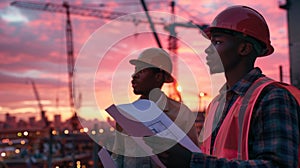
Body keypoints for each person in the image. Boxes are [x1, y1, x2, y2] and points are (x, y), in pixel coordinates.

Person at [145, 5, 300, 168]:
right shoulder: (216, 105)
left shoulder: (272, 97)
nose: (207, 50)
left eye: (217, 42)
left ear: (244, 48)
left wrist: (191, 161)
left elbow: (279, 165)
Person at [111, 47, 199, 168]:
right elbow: (118, 158)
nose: (133, 75)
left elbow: (193, 159)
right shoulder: (125, 115)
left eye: (140, 70)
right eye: (135, 70)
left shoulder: (182, 114)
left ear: (158, 76)